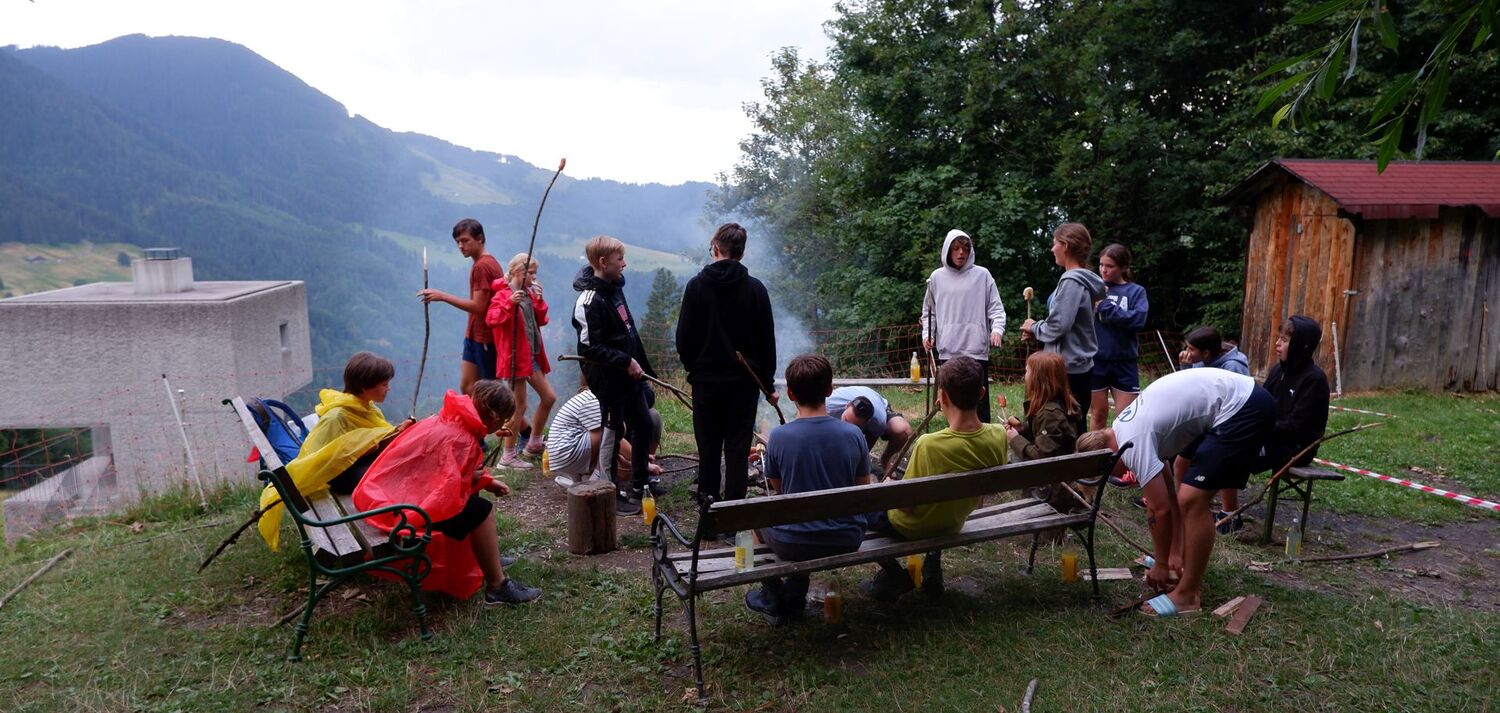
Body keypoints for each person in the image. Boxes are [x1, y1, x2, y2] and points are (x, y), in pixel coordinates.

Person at [1076, 368, 1274, 617]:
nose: (1119, 475)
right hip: (1237, 400)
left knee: (1191, 499)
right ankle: (1180, 559)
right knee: (1182, 480)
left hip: (1243, 406)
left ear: (1108, 458)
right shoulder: (1123, 427)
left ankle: (1188, 595)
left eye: (1109, 473)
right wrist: (1172, 554)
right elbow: (1168, 494)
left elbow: (1159, 509)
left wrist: (1160, 565)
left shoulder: (1131, 443)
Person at [354, 380, 541, 604]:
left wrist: (485, 481)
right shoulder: (462, 438)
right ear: (493, 418)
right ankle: (497, 586)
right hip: (399, 510)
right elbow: (446, 494)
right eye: (502, 422)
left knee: (473, 503)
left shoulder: (448, 419)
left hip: (384, 497)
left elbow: (440, 474)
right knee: (481, 511)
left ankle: (484, 556)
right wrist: (473, 480)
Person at [860, 356, 1008, 601]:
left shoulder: (929, 445)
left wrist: (888, 489)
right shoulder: (999, 435)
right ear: (982, 393)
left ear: (943, 397)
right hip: (953, 522)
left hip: (909, 527)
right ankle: (932, 564)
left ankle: (895, 575)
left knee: (859, 507)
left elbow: (907, 506)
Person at [743, 354, 873, 625]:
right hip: (847, 537)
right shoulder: (854, 435)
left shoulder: (779, 437)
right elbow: (863, 490)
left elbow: (781, 489)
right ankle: (794, 593)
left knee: (756, 515)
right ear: (830, 389)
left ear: (790, 394)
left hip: (794, 543)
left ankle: (772, 594)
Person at [256, 352, 414, 551]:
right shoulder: (337, 416)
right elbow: (321, 456)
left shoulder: (365, 406)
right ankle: (399, 530)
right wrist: (364, 449)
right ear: (365, 385)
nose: (388, 388)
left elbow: (367, 440)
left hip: (352, 467)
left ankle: (402, 525)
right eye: (384, 384)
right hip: (341, 477)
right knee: (392, 475)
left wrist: (396, 433)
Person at [675, 222, 777, 504]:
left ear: (715, 248)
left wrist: (694, 368)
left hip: (706, 383)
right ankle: (734, 511)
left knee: (708, 447)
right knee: (737, 448)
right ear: (741, 253)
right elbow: (767, 344)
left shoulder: (696, 287)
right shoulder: (756, 289)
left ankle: (708, 509)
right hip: (744, 384)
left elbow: (683, 338)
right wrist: (767, 384)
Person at [571, 235, 657, 515]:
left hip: (629, 378)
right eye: (620, 259)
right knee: (612, 432)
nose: (624, 264)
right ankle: (609, 490)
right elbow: (589, 348)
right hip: (608, 381)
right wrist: (625, 361)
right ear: (602, 262)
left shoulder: (615, 289)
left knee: (643, 424)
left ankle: (640, 484)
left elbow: (629, 332)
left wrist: (643, 370)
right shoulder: (588, 301)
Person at [1241, 316, 1331, 531]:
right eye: (1278, 338)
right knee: (1223, 440)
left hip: (1296, 448)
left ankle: (1229, 515)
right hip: (1269, 437)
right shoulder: (1278, 370)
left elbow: (1297, 427)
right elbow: (1260, 404)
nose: (1277, 344)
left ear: (1301, 345)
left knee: (1236, 450)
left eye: (1284, 340)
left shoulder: (1314, 380)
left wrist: (1259, 428)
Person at [1022, 222, 1105, 433]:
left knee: (1064, 427)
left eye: (1055, 243)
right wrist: (1039, 334)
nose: (1052, 249)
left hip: (1067, 369)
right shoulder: (1081, 280)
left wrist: (1034, 327)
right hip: (1077, 366)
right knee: (1073, 423)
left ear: (1065, 245)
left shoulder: (1072, 281)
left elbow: (1059, 325)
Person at [921, 229, 1006, 423]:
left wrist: (997, 329)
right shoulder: (936, 278)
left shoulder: (982, 275)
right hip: (948, 350)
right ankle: (956, 436)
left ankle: (983, 437)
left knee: (979, 401)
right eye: (956, 248)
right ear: (948, 250)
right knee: (952, 401)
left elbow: (996, 308)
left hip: (976, 349)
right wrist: (928, 335)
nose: (961, 253)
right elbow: (929, 312)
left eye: (965, 248)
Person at [486, 253, 558, 470]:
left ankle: (534, 442)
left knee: (549, 397)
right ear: (518, 272)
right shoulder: (503, 294)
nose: (534, 278)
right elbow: (492, 319)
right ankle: (508, 456)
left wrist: (539, 300)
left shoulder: (527, 294)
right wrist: (509, 304)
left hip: (530, 356)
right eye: (531, 273)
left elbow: (541, 320)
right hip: (514, 358)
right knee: (519, 405)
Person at [418, 218, 504, 394]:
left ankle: (510, 414)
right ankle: (475, 413)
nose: (460, 246)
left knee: (490, 391)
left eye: (465, 241)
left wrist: (443, 296)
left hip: (485, 337)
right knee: (467, 387)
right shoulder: (483, 263)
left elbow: (479, 307)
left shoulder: (483, 266)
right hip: (474, 335)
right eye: (458, 242)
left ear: (479, 238)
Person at [545, 384, 662, 488]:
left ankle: (582, 479)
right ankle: (596, 479)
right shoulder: (595, 399)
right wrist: (644, 463)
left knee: (619, 458)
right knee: (613, 430)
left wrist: (634, 460)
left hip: (561, 456)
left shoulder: (596, 394)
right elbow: (609, 438)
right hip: (566, 453)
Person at [1090, 243, 1149, 431]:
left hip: (1124, 362)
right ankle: (1094, 449)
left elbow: (1138, 320)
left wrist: (1105, 307)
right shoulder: (1093, 288)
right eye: (1101, 265)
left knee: (1126, 418)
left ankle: (1122, 450)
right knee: (1098, 414)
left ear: (1123, 268)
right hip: (1096, 361)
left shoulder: (1136, 291)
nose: (1104, 270)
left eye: (1110, 266)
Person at [825, 386, 914, 478]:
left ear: (867, 422)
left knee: (903, 431)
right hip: (838, 409)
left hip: (878, 406)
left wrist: (860, 463)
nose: (848, 427)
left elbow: (871, 439)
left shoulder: (878, 420)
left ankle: (885, 460)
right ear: (847, 406)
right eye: (846, 419)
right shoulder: (829, 406)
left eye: (854, 426)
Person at [1179, 326, 1250, 375]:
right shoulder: (1199, 361)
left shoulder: (1232, 366)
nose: (1186, 351)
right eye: (1187, 347)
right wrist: (1186, 367)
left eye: (1191, 349)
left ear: (1205, 353)